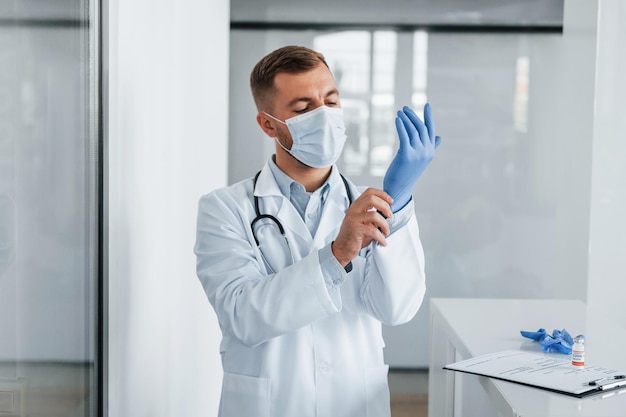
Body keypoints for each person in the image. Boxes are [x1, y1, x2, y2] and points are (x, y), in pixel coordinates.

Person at [194, 45, 441, 417]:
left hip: (354, 401)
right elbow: (242, 315)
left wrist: (399, 201)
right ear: (268, 124)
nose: (325, 116)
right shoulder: (225, 209)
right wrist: (336, 254)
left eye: (331, 100)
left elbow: (398, 308)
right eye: (304, 108)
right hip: (272, 405)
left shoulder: (369, 205)